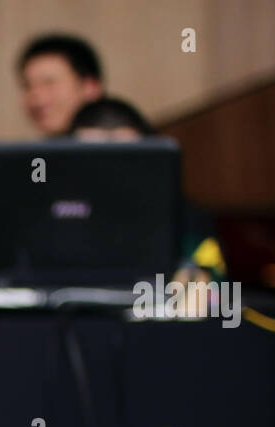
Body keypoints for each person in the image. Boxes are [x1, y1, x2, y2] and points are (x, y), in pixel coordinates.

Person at [68, 97, 227, 288]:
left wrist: (201, 284)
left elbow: (215, 281)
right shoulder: (54, 219)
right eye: (93, 160)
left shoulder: (183, 218)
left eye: (125, 158)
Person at [19, 34, 104, 137]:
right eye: (28, 86)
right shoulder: (36, 153)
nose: (36, 96)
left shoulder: (120, 144)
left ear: (89, 87)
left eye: (49, 82)